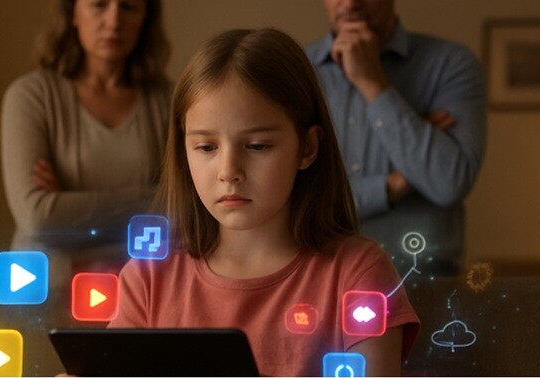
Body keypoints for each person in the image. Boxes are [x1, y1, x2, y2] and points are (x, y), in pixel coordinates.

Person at [109, 28, 419, 377]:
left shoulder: (357, 273)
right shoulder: (148, 279)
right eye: (206, 147)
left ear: (308, 148)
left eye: (258, 146)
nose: (229, 171)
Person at [306, 0, 487, 276]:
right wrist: (393, 185)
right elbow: (292, 199)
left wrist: (372, 82)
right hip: (319, 278)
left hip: (423, 280)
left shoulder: (451, 64)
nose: (351, 3)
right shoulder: (297, 71)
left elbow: (448, 183)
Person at [0, 0, 170, 277]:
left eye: (128, 7)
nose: (114, 22)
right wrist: (150, 199)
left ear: (145, 18)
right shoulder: (30, 96)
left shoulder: (168, 102)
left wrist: (67, 203)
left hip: (138, 284)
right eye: (99, 5)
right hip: (43, 283)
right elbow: (38, 218)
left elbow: (184, 210)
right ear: (73, 13)